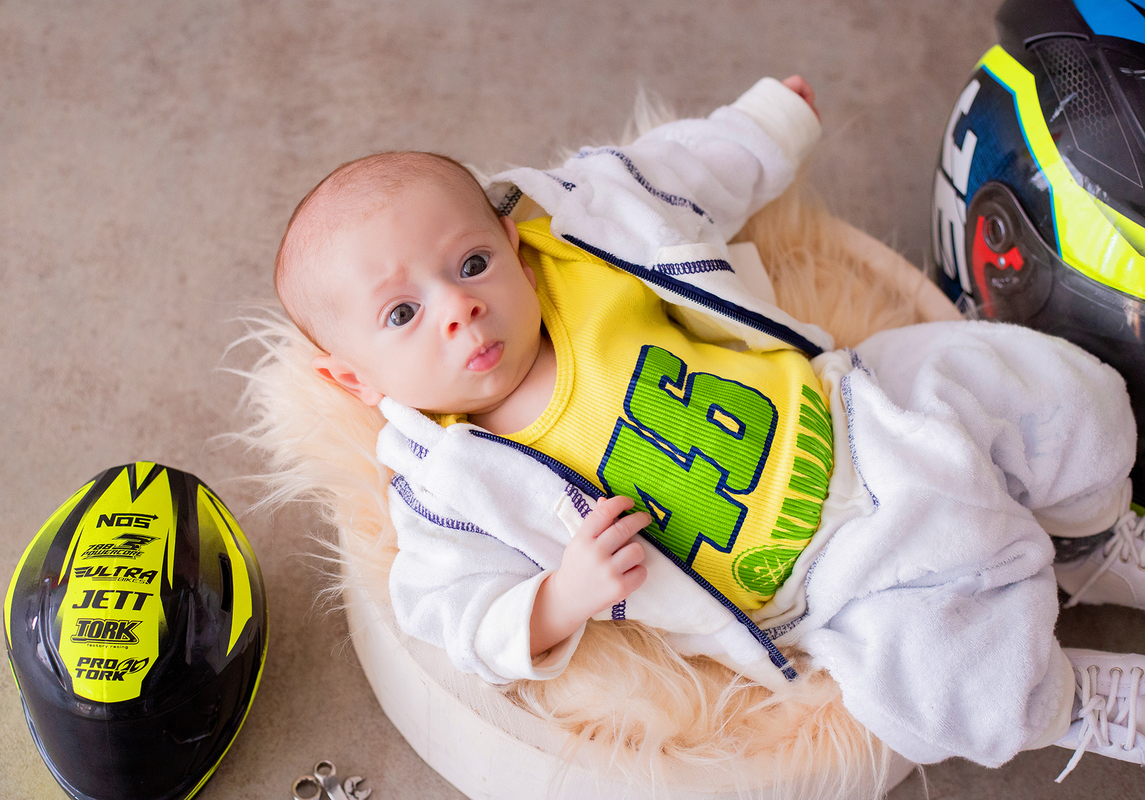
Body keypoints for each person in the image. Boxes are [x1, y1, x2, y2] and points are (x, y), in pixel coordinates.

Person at [273, 76, 1145, 778]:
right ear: (349, 378)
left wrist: (770, 121)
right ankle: (1067, 701)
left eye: (471, 263)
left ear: (510, 240)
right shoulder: (453, 486)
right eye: (401, 315)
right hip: (822, 577)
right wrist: (559, 596)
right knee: (949, 682)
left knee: (1060, 393)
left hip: (855, 408)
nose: (460, 309)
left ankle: (1088, 539)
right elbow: (450, 613)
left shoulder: (579, 236)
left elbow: (679, 173)